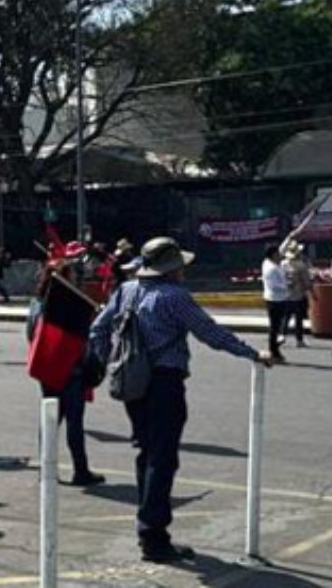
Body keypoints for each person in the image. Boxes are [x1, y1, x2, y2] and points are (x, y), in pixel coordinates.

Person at [89, 237, 270, 563]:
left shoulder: (127, 291)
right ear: (173, 269)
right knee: (163, 458)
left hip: (133, 383)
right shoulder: (174, 297)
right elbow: (211, 333)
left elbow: (98, 331)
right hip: (163, 382)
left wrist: (112, 361)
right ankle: (153, 536)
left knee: (146, 453)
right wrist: (252, 353)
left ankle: (148, 527)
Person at [26, 260, 103, 486]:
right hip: (70, 371)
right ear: (62, 279)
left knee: (50, 422)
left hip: (46, 369)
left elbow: (31, 336)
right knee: (73, 422)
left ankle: (46, 470)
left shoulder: (36, 303)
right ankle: (81, 470)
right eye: (73, 277)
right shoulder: (63, 307)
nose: (76, 280)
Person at [282, 243, 313, 349]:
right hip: (298, 295)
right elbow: (307, 281)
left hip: (285, 296)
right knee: (298, 320)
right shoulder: (301, 265)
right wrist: (311, 292)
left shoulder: (283, 264)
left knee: (285, 318)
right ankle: (299, 340)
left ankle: (281, 336)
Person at [261, 244, 288, 362]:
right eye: (277, 253)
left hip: (280, 299)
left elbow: (283, 246)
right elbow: (274, 286)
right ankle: (273, 351)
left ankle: (275, 348)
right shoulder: (270, 268)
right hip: (274, 300)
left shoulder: (272, 263)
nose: (280, 255)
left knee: (277, 326)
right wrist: (288, 286)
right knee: (274, 327)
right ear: (273, 255)